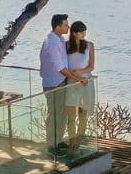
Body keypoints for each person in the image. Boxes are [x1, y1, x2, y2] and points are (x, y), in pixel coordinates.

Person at [39, 13, 87, 155]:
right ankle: (52, 146)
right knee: (54, 114)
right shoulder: (52, 43)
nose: (68, 27)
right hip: (54, 84)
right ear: (58, 26)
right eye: (66, 24)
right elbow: (59, 67)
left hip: (61, 82)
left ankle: (58, 142)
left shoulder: (59, 39)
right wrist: (77, 79)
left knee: (62, 114)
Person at [64, 20, 96, 155]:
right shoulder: (65, 46)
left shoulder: (89, 45)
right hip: (71, 83)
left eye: (85, 32)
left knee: (83, 115)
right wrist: (74, 75)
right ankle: (71, 144)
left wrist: (80, 73)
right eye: (82, 32)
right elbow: (63, 66)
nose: (84, 34)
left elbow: (91, 67)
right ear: (75, 33)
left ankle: (77, 145)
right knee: (71, 117)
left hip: (85, 83)